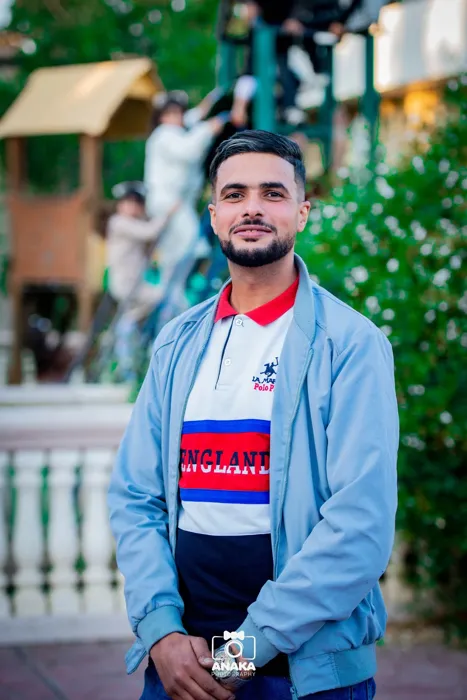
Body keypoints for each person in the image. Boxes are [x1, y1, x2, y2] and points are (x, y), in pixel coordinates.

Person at [108, 130, 399, 700]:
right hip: (180, 665)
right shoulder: (176, 343)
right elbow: (135, 497)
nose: (252, 208)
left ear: (302, 213)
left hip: (303, 677)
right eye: (235, 194)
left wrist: (239, 654)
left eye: (273, 193)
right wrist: (161, 632)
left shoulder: (350, 345)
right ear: (215, 216)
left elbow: (360, 528)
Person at [144, 93, 230, 292]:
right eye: (169, 113)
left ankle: (172, 293)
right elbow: (188, 150)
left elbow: (192, 117)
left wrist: (208, 103)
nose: (175, 117)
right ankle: (172, 292)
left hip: (175, 203)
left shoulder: (177, 129)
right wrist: (208, 128)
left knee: (175, 251)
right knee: (189, 245)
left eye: (178, 112)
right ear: (160, 116)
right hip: (168, 202)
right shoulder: (165, 134)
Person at [106, 181, 176, 381]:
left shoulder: (131, 223)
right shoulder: (119, 222)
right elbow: (150, 232)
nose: (132, 207)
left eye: (136, 203)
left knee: (132, 320)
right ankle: (143, 356)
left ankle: (127, 363)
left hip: (134, 285)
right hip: (127, 286)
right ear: (120, 205)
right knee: (164, 300)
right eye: (127, 202)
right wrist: (168, 214)